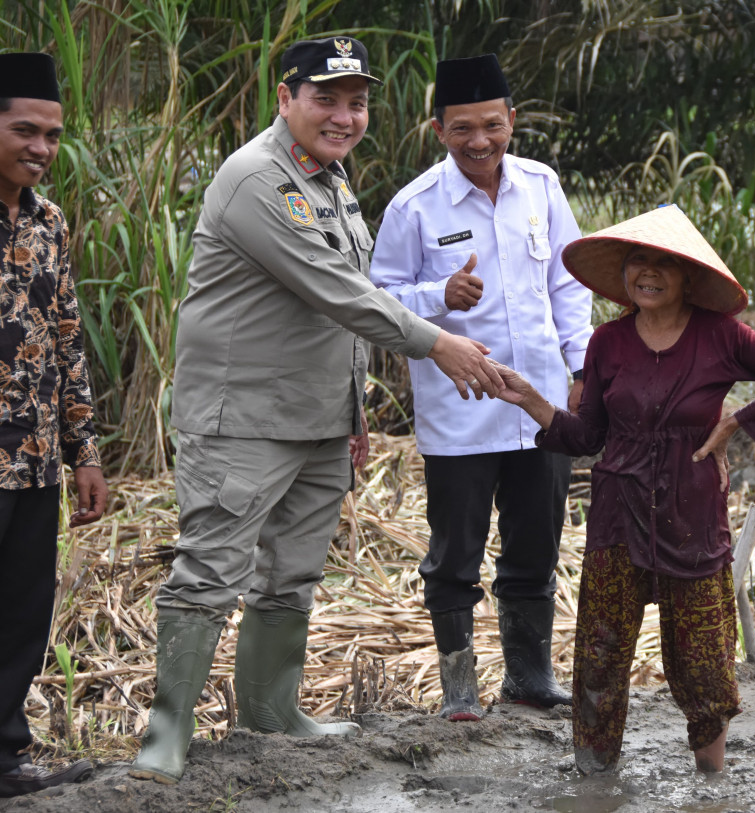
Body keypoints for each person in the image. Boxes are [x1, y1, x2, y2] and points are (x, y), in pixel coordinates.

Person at [129, 38, 505, 785]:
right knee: (211, 570)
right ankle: (164, 738)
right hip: (244, 417)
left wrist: (353, 405)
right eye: (326, 99)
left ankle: (270, 713)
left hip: (318, 420)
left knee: (291, 576)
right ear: (285, 98)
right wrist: (440, 345)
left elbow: (344, 305)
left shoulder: (332, 181)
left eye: (357, 102)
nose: (344, 116)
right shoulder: (254, 180)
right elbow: (341, 292)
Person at [494, 205, 755, 773]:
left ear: (689, 277)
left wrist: (733, 425)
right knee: (600, 656)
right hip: (617, 517)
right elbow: (590, 435)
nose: (647, 273)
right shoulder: (607, 342)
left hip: (691, 515)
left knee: (702, 662)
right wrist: (533, 402)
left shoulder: (721, 335)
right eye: (637, 263)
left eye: (663, 265)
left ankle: (711, 778)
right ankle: (594, 780)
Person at [370, 54, 591, 720]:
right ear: (438, 129)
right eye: (462, 128)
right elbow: (377, 300)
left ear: (512, 121)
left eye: (492, 126)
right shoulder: (415, 205)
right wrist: (440, 293)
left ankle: (528, 676)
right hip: (461, 412)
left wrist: (582, 366)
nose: (479, 142)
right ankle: (459, 690)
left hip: (540, 404)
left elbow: (568, 281)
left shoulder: (541, 186)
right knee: (455, 553)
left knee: (535, 544)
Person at [0, 51, 108, 798]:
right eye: (23, 131)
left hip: (34, 458)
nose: (40, 148)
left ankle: (5, 755)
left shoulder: (49, 221)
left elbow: (68, 337)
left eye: (52, 135)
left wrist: (85, 453)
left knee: (21, 612)